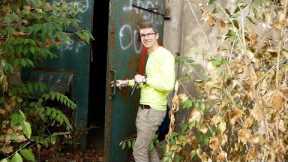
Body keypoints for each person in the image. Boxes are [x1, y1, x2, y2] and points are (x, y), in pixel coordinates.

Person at [114, 20, 175, 162]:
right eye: (142, 35)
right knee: (148, 147)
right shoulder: (151, 56)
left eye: (149, 34)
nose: (146, 38)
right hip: (145, 109)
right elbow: (148, 83)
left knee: (139, 150)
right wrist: (126, 83)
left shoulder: (164, 55)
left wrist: (145, 80)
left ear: (157, 35)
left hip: (153, 110)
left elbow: (167, 84)